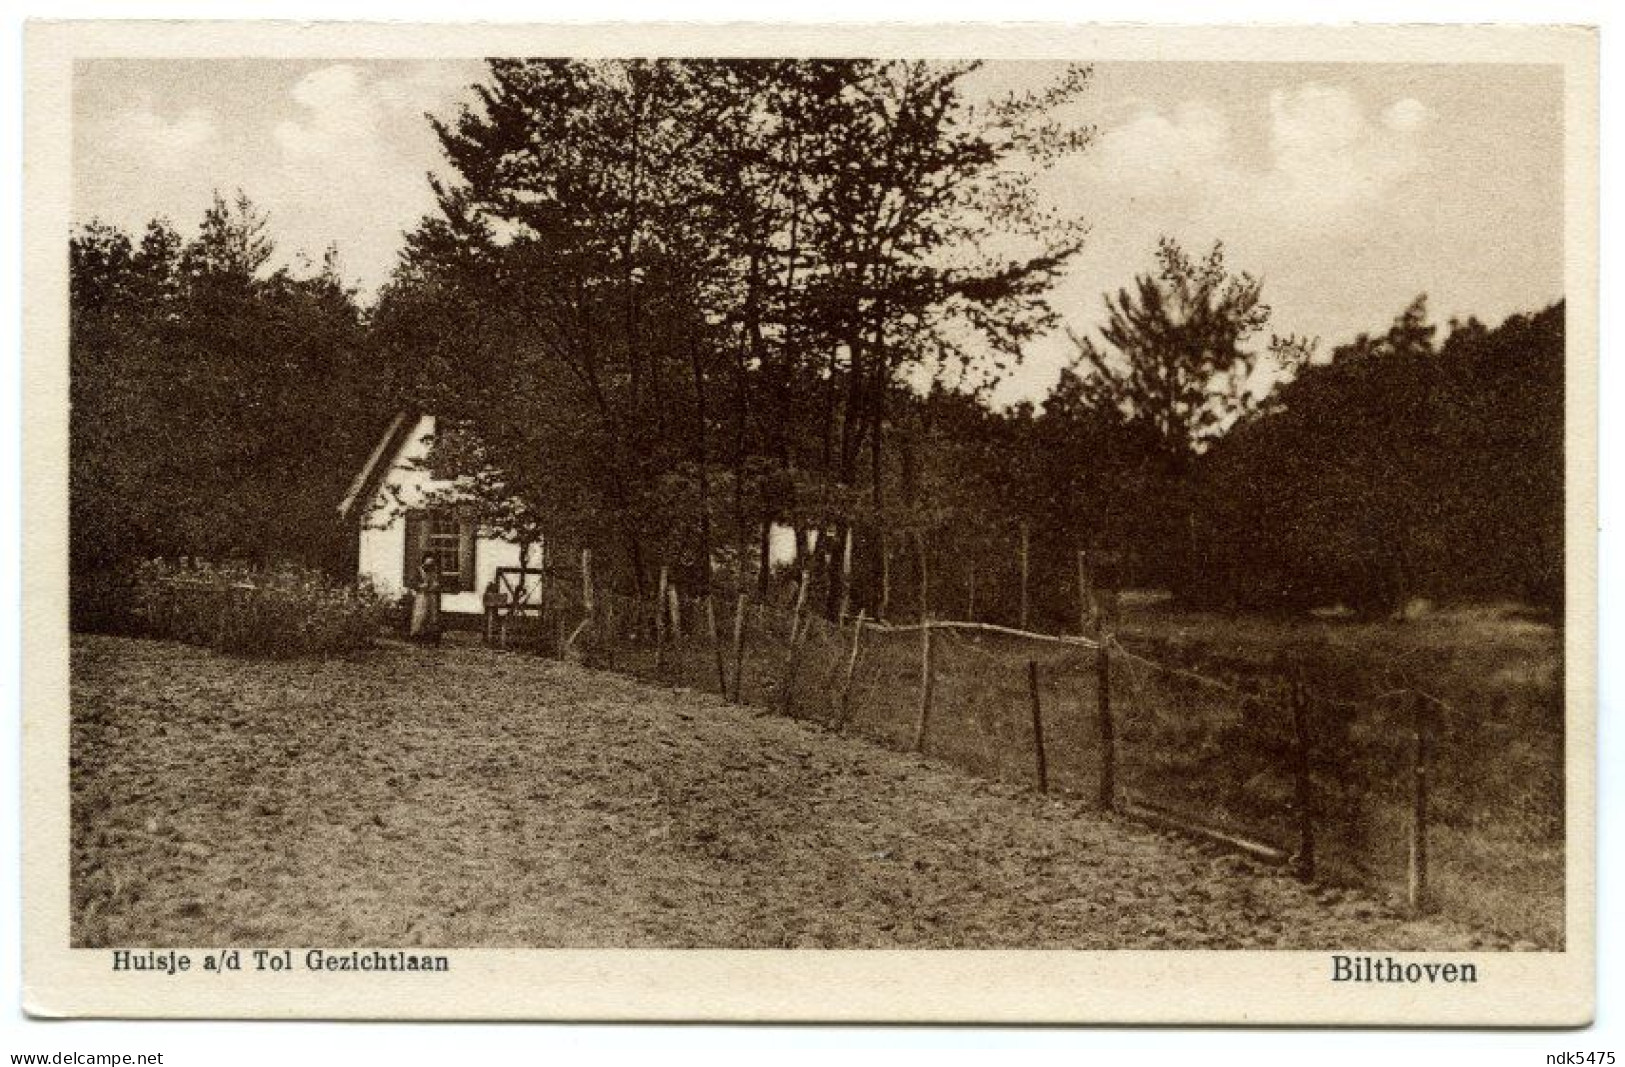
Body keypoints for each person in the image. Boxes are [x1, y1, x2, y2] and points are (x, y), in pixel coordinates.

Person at [409, 552, 442, 643]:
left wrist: (437, 585)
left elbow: (441, 582)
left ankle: (430, 636)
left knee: (432, 616)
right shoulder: (419, 571)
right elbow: (412, 583)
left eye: (432, 564)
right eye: (428, 563)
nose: (430, 566)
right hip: (422, 596)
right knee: (420, 615)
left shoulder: (436, 572)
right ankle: (417, 636)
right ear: (424, 562)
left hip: (432, 595)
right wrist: (420, 586)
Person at [482, 576, 507, 646]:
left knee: (491, 619)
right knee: (489, 619)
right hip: (491, 611)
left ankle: (490, 637)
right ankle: (489, 637)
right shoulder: (490, 596)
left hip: (494, 610)